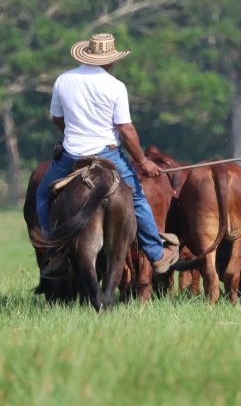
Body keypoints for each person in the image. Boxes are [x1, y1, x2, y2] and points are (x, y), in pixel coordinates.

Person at [35, 32, 180, 274]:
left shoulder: (63, 80)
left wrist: (74, 133)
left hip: (72, 155)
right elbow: (126, 129)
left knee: (42, 195)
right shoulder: (115, 86)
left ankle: (53, 252)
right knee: (136, 198)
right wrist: (143, 162)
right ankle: (156, 254)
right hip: (107, 154)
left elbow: (57, 118)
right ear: (110, 60)